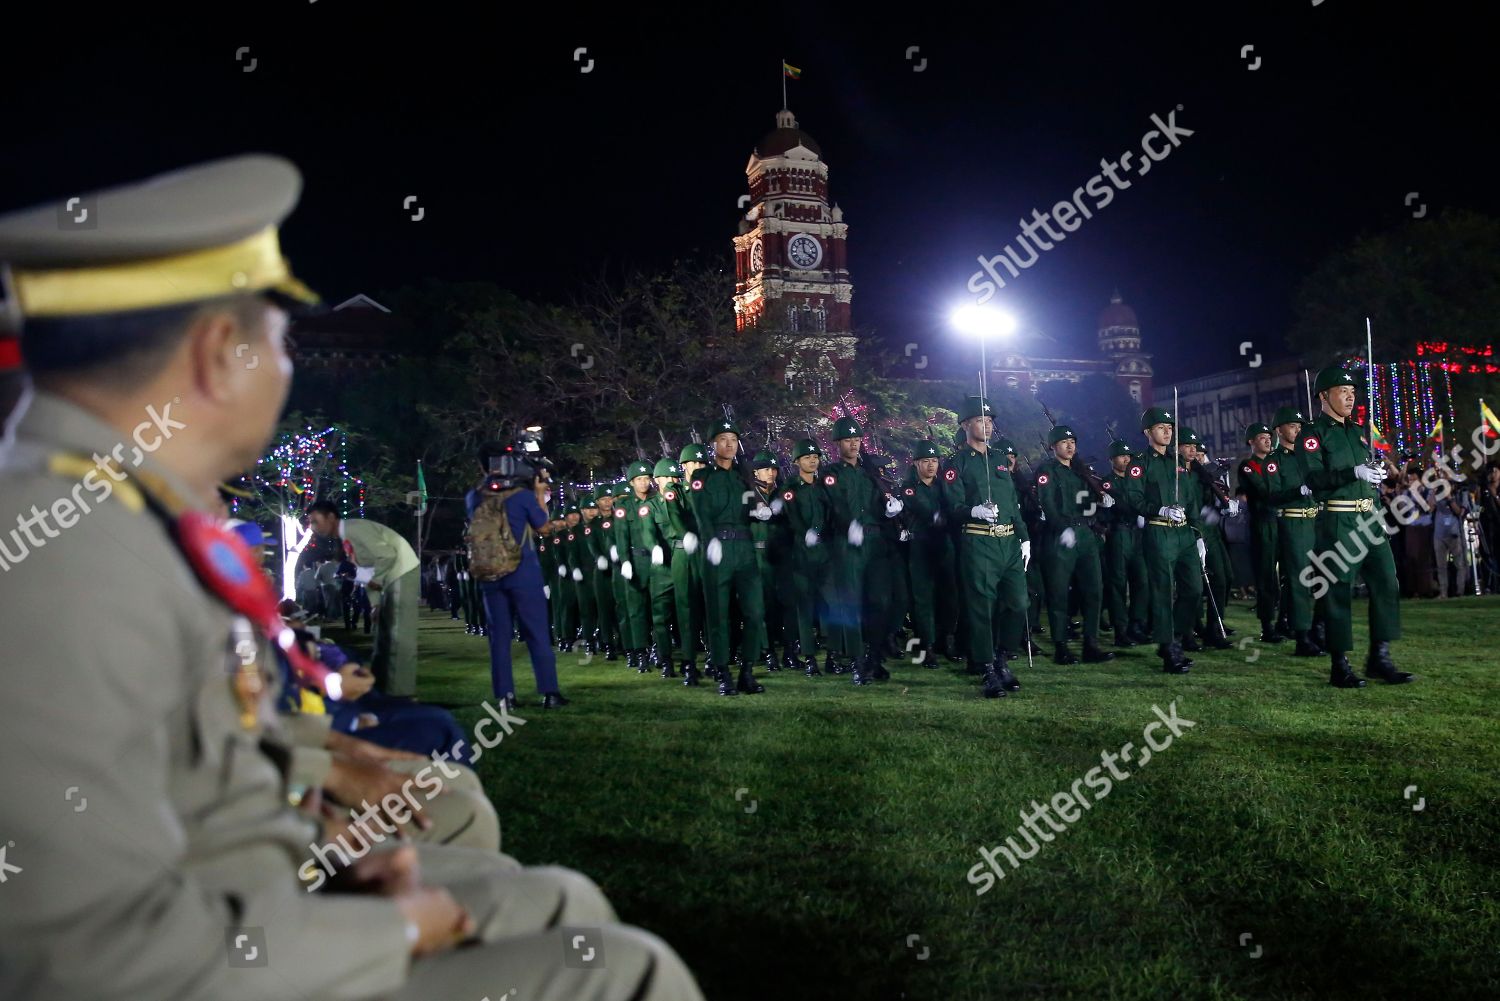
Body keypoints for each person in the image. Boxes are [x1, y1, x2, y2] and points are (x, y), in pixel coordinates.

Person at [0, 154, 700, 1000]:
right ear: (221, 354)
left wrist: (319, 786)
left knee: (563, 902)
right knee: (625, 971)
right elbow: (89, 960)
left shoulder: (109, 510)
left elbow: (200, 755)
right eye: (276, 337)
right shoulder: (65, 551)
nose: (284, 364)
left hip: (245, 891)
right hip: (221, 940)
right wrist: (391, 926)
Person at [1301, 367, 1410, 688]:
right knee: (1338, 592)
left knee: (1387, 584)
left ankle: (1380, 656)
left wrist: (1373, 474)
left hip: (1371, 517)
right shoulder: (1313, 434)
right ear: (1323, 395)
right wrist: (1353, 473)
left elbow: (1364, 470)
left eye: (1353, 391)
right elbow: (1314, 480)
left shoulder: (1358, 431)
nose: (1350, 396)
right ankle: (1339, 664)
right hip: (1339, 519)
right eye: (1342, 390)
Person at [466, 443, 567, 709]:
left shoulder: (473, 497)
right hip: (523, 573)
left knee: (499, 637)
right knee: (537, 632)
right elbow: (543, 528)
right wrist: (539, 491)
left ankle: (505, 697)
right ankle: (549, 692)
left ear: (482, 466)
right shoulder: (521, 496)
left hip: (489, 576)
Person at [943, 396, 1028, 698]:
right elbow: (952, 505)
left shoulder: (1001, 460)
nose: (988, 425)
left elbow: (1012, 504)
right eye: (981, 420)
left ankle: (1003, 655)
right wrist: (973, 510)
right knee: (982, 607)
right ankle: (986, 666)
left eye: (990, 420)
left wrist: (1025, 536)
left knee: (1018, 603)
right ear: (966, 424)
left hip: (1008, 541)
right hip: (979, 540)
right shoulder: (957, 463)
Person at [687, 417, 767, 695]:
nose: (729, 444)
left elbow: (750, 508)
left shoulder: (743, 476)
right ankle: (722, 671)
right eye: (723, 439)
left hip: (744, 549)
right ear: (713, 445)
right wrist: (710, 541)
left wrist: (758, 512)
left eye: (733, 439)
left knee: (755, 612)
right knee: (718, 615)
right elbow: (701, 512)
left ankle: (747, 671)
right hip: (717, 548)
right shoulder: (702, 478)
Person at [308, 499, 421, 697]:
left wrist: (376, 581)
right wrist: (375, 604)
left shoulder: (353, 529)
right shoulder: (345, 537)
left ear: (331, 517)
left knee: (398, 638)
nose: (312, 527)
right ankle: (378, 689)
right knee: (383, 637)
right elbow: (366, 571)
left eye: (315, 521)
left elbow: (386, 556)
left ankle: (401, 695)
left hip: (401, 571)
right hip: (389, 576)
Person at [1119, 406, 1202, 673]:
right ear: (1148, 432)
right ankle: (1170, 647)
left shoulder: (1178, 463)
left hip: (1184, 533)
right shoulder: (1140, 463)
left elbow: (1191, 499)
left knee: (1193, 589)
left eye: (1170, 428)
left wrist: (1198, 534)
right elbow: (1133, 497)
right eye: (1161, 428)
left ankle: (1173, 636)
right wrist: (1159, 509)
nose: (1167, 432)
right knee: (1163, 590)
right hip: (1159, 530)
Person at [822, 415, 904, 685]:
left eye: (857, 439)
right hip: (848, 543)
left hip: (875, 541)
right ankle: (858, 661)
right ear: (838, 443)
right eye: (848, 440)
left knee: (880, 601)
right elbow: (835, 504)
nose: (854, 444)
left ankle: (874, 655)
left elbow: (879, 500)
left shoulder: (869, 472)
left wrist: (891, 507)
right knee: (853, 603)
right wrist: (848, 526)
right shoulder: (831, 474)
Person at [1035, 425, 1116, 664]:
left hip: (1086, 534)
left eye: (1072, 441)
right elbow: (1047, 504)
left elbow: (1085, 502)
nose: (1070, 446)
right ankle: (1061, 646)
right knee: (1058, 593)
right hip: (1061, 538)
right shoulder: (1047, 470)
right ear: (1053, 446)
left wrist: (1100, 502)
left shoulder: (1082, 471)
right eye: (1064, 442)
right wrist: (1062, 529)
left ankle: (1091, 644)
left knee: (1094, 591)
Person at [898, 439, 957, 666]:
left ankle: (946, 638)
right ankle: (927, 644)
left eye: (934, 460)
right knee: (923, 598)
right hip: (921, 545)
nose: (931, 465)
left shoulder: (944, 485)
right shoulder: (909, 487)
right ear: (915, 464)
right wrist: (939, 515)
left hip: (944, 544)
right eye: (926, 461)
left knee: (949, 595)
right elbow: (921, 507)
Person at [1101, 439, 1150, 647]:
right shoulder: (1107, 482)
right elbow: (1119, 504)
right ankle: (1120, 629)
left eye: (1129, 456)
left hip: (1137, 534)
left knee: (1142, 580)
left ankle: (1136, 624)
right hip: (1119, 532)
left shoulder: (1137, 480)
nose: (1127, 459)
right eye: (1122, 456)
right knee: (1118, 584)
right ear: (1112, 460)